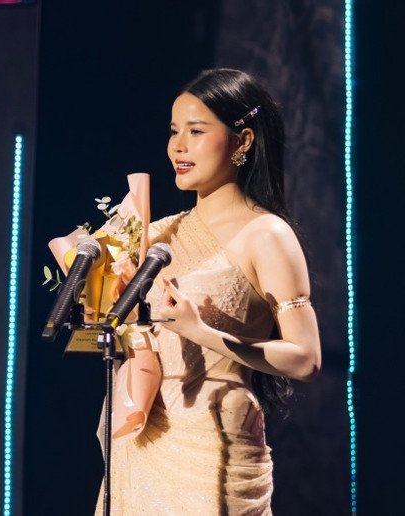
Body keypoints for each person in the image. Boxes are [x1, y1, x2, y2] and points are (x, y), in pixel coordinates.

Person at [94, 68, 322, 515]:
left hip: (215, 441)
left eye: (196, 131)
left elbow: (306, 359)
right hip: (144, 438)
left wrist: (201, 332)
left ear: (242, 141)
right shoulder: (156, 234)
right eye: (174, 131)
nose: (178, 146)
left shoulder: (266, 234)